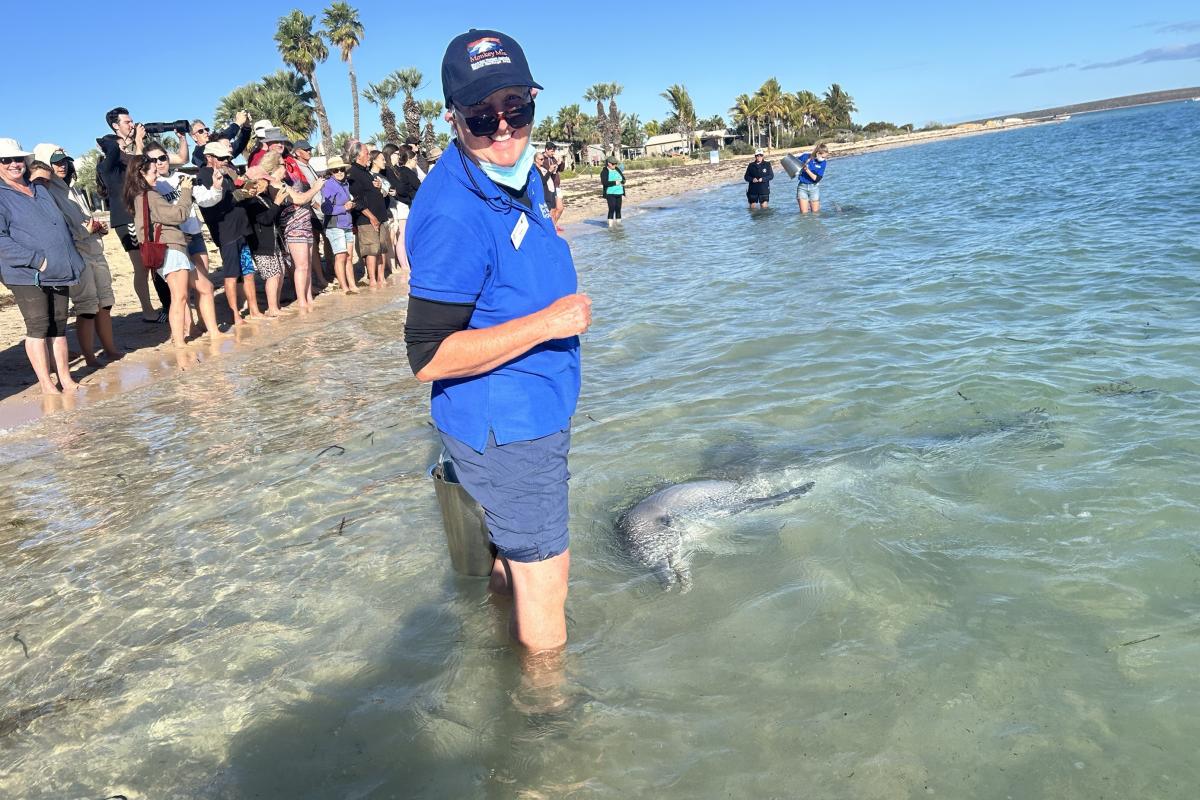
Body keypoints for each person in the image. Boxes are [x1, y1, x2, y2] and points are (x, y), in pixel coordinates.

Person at [404, 30, 591, 673]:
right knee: (548, 585)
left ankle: (491, 649)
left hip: (530, 409)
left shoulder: (513, 173)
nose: (504, 128)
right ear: (453, 118)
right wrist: (548, 322)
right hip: (510, 426)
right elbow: (427, 355)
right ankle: (549, 728)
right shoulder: (452, 211)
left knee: (513, 563)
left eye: (518, 107)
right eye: (482, 117)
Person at [0, 138, 83, 393]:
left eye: (18, 159)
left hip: (59, 268)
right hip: (27, 274)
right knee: (38, 327)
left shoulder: (39, 189)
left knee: (59, 325)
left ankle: (66, 378)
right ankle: (46, 383)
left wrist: (71, 259)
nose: (14, 164)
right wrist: (38, 261)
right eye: (6, 160)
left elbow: (59, 223)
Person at [32, 144, 123, 366]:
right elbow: (56, 230)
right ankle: (91, 357)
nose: (62, 165)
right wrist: (86, 230)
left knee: (105, 302)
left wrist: (97, 227)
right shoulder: (45, 192)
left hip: (95, 250)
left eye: (64, 161)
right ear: (46, 164)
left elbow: (85, 220)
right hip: (77, 256)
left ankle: (111, 350)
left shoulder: (71, 188)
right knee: (87, 306)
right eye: (56, 162)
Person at [96, 106, 171, 323]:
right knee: (142, 266)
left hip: (142, 213)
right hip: (126, 218)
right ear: (115, 126)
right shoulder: (109, 160)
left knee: (155, 260)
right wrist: (135, 142)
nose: (132, 125)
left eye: (132, 121)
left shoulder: (127, 154)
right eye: (127, 122)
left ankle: (165, 304)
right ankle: (148, 310)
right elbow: (135, 171)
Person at [143, 140, 223, 338]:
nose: (159, 163)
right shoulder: (152, 186)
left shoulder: (182, 177)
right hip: (175, 241)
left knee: (204, 282)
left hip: (194, 235)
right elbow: (164, 216)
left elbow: (205, 198)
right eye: (154, 160)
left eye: (162, 158)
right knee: (181, 290)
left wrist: (217, 188)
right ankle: (190, 327)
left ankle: (207, 324)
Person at [125, 155, 202, 348]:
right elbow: (179, 215)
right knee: (179, 297)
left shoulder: (140, 197)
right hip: (171, 251)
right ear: (141, 174)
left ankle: (184, 334)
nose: (157, 178)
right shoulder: (150, 195)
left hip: (165, 250)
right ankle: (179, 341)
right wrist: (186, 191)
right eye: (153, 173)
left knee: (186, 294)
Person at [195, 140, 261, 324]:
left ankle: (254, 309)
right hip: (226, 234)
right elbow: (209, 205)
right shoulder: (203, 176)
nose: (226, 160)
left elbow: (237, 193)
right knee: (231, 275)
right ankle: (235, 315)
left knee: (248, 272)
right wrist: (237, 196)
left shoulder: (228, 172)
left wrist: (247, 192)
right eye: (222, 158)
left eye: (228, 157)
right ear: (209, 157)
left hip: (241, 229)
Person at [277, 140, 325, 311]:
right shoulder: (279, 185)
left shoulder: (288, 182)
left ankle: (308, 297)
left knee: (307, 263)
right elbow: (300, 199)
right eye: (283, 165)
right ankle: (302, 301)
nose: (287, 168)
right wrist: (316, 188)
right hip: (293, 225)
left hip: (304, 221)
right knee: (301, 265)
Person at [242, 158, 289, 316]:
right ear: (257, 182)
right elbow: (265, 219)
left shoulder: (265, 197)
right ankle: (272, 308)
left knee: (280, 272)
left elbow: (273, 216)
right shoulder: (251, 201)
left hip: (274, 241)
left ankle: (275, 305)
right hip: (261, 245)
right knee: (272, 275)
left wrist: (277, 203)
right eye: (265, 181)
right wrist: (277, 203)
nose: (267, 183)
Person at [344, 139, 387, 290]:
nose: (369, 156)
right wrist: (372, 217)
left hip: (380, 216)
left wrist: (380, 186)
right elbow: (357, 200)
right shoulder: (353, 173)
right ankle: (373, 280)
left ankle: (382, 278)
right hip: (366, 219)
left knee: (382, 248)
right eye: (367, 153)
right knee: (371, 250)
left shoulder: (366, 172)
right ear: (357, 156)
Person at [291, 140, 329, 293]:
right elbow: (303, 188)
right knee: (312, 245)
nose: (309, 152)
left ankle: (323, 275)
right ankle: (319, 279)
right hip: (310, 209)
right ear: (297, 152)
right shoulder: (297, 166)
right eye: (306, 150)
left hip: (319, 209)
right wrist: (315, 205)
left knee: (322, 241)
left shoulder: (308, 166)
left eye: (309, 149)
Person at [319, 156, 358, 294]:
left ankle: (352, 285)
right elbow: (325, 209)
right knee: (341, 256)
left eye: (342, 169)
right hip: (334, 225)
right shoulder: (329, 185)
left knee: (349, 256)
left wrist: (350, 206)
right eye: (336, 170)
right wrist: (344, 208)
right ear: (331, 172)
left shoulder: (345, 184)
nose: (340, 172)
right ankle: (345, 287)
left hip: (347, 223)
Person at [385, 146, 421, 278]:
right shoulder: (390, 170)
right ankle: (404, 265)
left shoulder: (397, 170)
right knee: (401, 237)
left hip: (402, 204)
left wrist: (399, 192)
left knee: (402, 236)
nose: (398, 156)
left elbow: (401, 188)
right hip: (399, 205)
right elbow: (400, 188)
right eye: (395, 154)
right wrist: (398, 193)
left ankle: (404, 264)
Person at [795, 143, 829, 214]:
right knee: (804, 214)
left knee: (815, 214)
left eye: (825, 157)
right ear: (817, 153)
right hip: (802, 187)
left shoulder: (823, 163)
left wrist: (807, 170)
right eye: (823, 157)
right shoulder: (805, 157)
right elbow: (794, 164)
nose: (824, 159)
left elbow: (817, 179)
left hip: (814, 188)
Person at [543, 142, 565, 229]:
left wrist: (561, 162)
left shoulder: (553, 158)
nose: (553, 153)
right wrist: (556, 165)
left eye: (554, 151)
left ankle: (553, 225)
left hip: (556, 185)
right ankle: (552, 227)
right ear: (546, 150)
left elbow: (560, 169)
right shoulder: (542, 159)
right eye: (551, 151)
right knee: (552, 209)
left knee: (560, 208)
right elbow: (547, 171)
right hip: (548, 186)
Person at [600, 154, 624, 226]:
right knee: (611, 209)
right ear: (608, 163)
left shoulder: (617, 169)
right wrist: (615, 182)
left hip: (619, 192)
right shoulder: (604, 171)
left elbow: (623, 178)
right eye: (613, 164)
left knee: (618, 209)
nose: (615, 165)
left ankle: (619, 227)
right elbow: (604, 182)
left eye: (616, 164)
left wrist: (623, 182)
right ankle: (610, 228)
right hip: (610, 193)